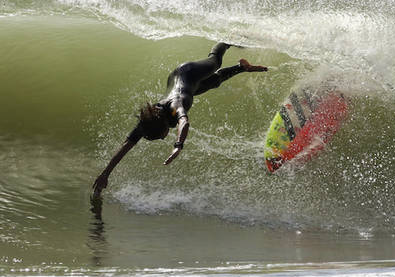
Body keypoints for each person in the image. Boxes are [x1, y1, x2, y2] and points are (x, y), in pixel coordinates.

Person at [92, 42, 267, 198]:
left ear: (162, 126)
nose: (162, 137)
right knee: (214, 82)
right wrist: (105, 174)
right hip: (185, 84)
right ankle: (243, 67)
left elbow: (184, 122)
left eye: (161, 136)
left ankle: (228, 41)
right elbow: (126, 146)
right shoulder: (148, 123)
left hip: (188, 72)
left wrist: (178, 145)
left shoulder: (175, 105)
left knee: (215, 62)